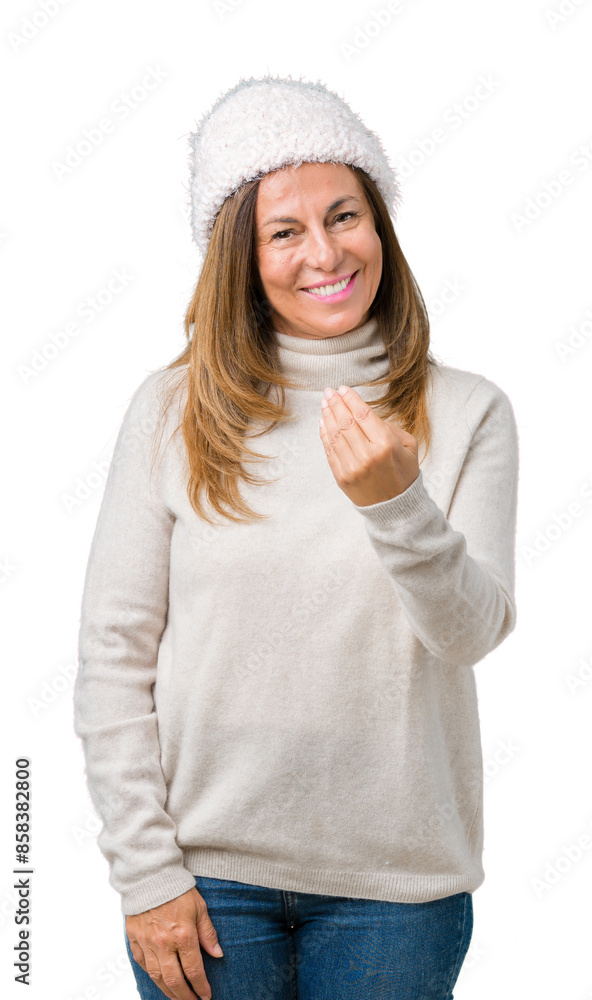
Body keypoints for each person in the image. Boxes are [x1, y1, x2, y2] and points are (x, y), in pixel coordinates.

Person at [73, 74, 519, 1000]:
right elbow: (113, 657)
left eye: (346, 215)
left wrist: (398, 505)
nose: (325, 252)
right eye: (285, 231)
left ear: (380, 226)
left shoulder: (468, 411)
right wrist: (147, 876)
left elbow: (471, 632)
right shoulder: (171, 409)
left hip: (396, 897)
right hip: (206, 882)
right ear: (243, 255)